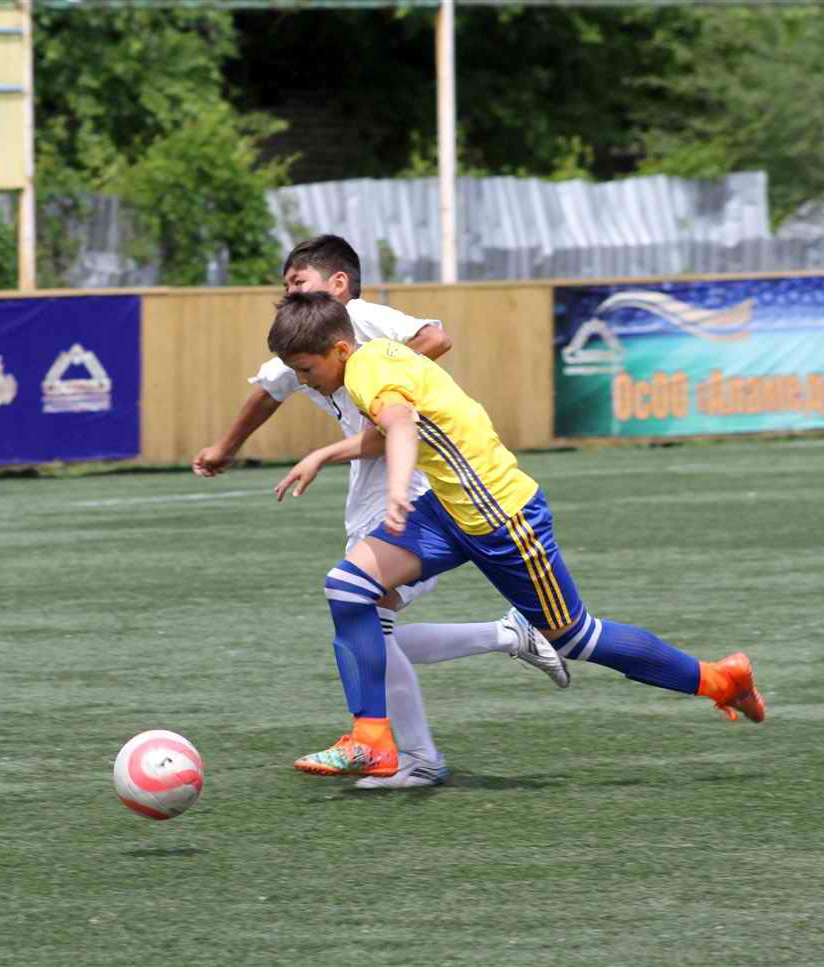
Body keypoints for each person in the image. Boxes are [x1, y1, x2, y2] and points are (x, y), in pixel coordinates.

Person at [269, 291, 766, 787]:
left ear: (339, 350)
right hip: (450, 509)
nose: (304, 380)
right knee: (348, 586)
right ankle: (372, 738)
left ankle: (720, 680)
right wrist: (324, 455)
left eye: (306, 369)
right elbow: (394, 427)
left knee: (575, 637)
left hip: (503, 518)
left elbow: (401, 423)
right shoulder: (378, 356)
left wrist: (398, 490)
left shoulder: (364, 369)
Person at [194, 235, 569, 790]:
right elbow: (268, 391)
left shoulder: (360, 320)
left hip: (411, 482)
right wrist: (226, 447)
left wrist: (393, 392)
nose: (289, 293)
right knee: (375, 629)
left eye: (297, 282)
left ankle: (411, 756)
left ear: (338, 284)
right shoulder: (308, 341)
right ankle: (503, 639)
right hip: (370, 484)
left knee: (367, 617)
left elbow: (434, 336)